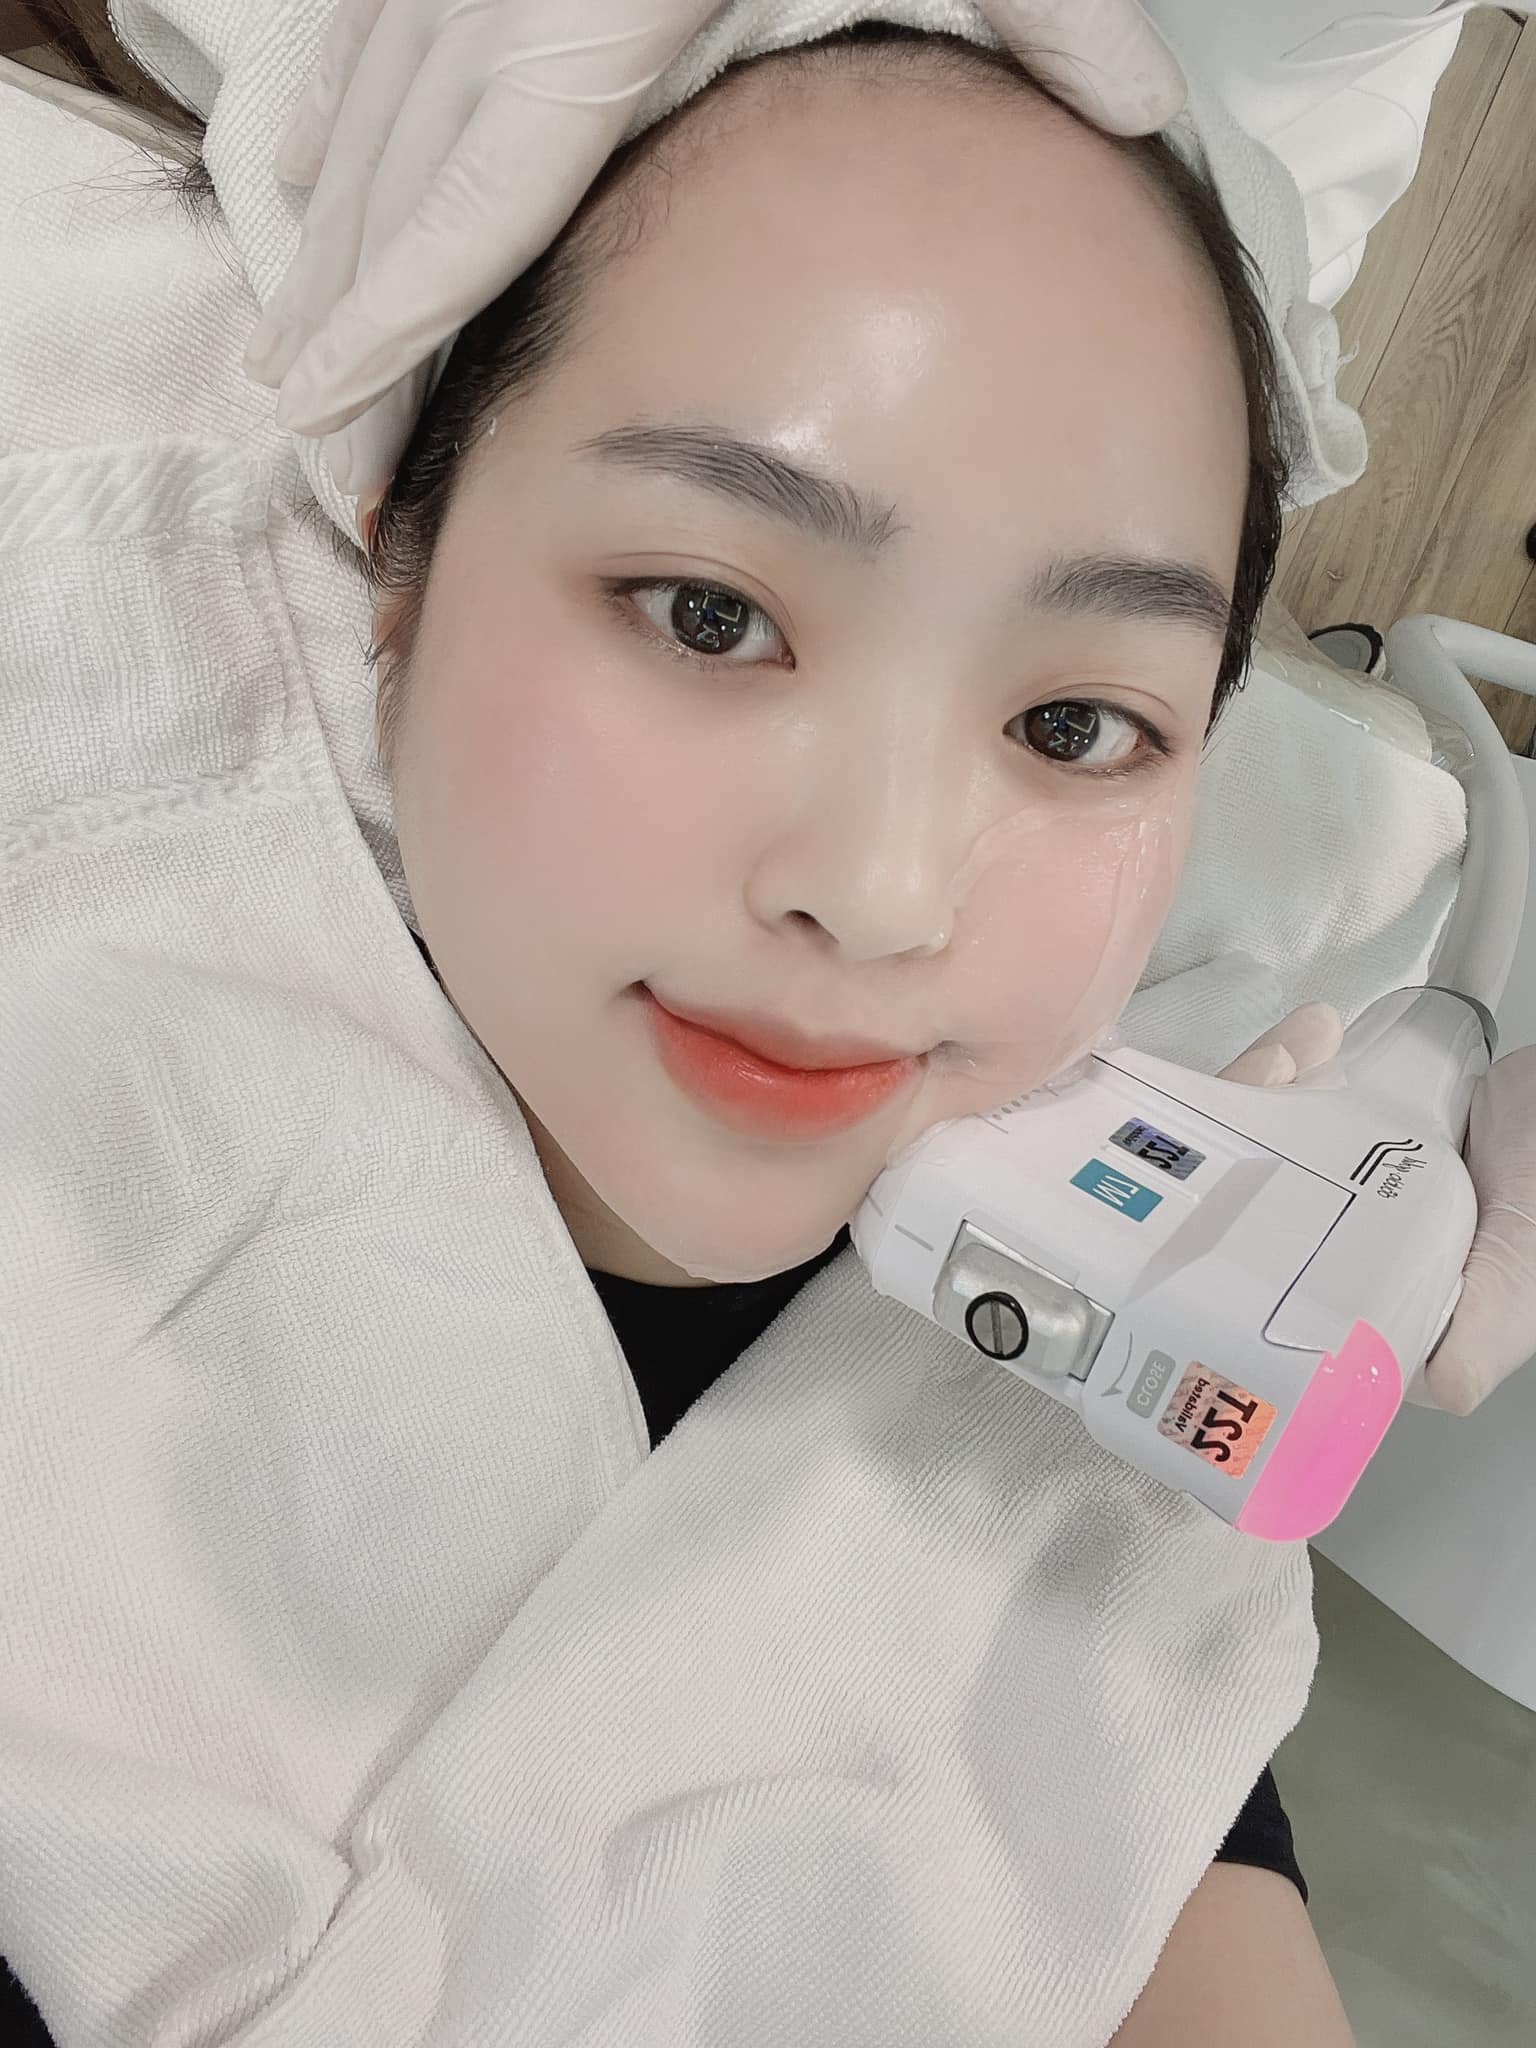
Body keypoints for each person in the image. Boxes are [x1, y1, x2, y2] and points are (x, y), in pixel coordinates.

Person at [0, 8, 1527, 2045]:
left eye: (1078, 723)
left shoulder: (1075, 1452)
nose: (882, 892)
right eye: (712, 614)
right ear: (400, 554)